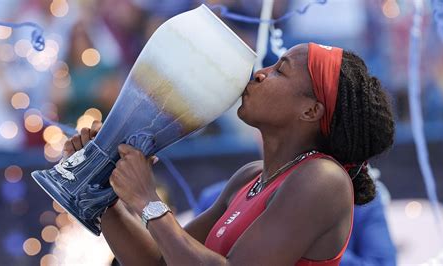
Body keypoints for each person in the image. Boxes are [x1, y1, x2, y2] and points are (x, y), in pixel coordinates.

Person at [63, 43, 395, 265]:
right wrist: (103, 191)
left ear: (310, 110)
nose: (260, 73)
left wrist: (148, 200)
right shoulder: (250, 176)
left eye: (280, 71)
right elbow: (159, 262)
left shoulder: (324, 179)